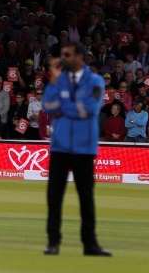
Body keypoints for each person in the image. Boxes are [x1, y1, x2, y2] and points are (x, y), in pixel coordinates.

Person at [42, 41, 110, 257]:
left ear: (80, 57)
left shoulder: (96, 81)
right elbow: (48, 106)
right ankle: (53, 242)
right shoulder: (58, 81)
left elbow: (90, 110)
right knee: (54, 197)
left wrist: (65, 106)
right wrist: (69, 104)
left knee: (86, 198)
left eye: (68, 55)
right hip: (60, 146)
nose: (64, 59)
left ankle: (89, 244)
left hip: (84, 148)